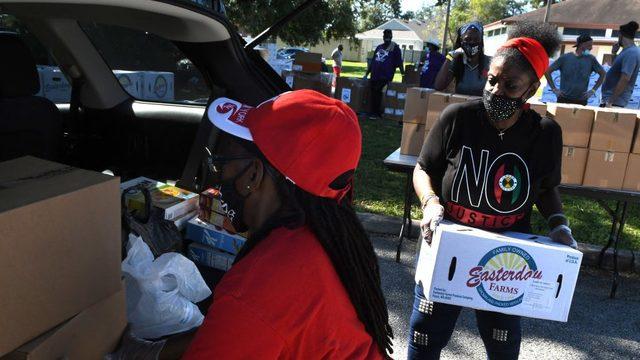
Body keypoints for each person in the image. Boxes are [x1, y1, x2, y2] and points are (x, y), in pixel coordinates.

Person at [182, 90, 394, 359]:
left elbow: (252, 317)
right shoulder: (326, 238)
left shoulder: (257, 288)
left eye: (224, 161)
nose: (219, 174)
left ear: (254, 176)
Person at [409, 21, 576, 360]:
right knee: (425, 334)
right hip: (449, 244)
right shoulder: (458, 117)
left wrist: (559, 224)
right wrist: (430, 203)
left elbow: (545, 189)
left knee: (502, 341)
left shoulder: (544, 133)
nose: (496, 91)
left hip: (507, 257)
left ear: (530, 90)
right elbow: (423, 168)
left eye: (510, 85)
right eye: (492, 80)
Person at [544, 34, 606, 106]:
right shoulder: (565, 58)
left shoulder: (591, 59)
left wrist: (592, 91)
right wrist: (554, 89)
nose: (591, 48)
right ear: (582, 45)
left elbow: (603, 74)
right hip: (563, 99)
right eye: (589, 45)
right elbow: (547, 71)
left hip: (581, 101)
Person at [434, 21, 491, 96]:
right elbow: (439, 86)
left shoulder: (489, 63)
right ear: (461, 41)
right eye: (468, 39)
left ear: (481, 41)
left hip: (481, 106)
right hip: (462, 106)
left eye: (476, 39)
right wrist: (449, 57)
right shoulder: (457, 63)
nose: (472, 42)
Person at [364, 29, 404, 117]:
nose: (387, 37)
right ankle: (373, 111)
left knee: (377, 91)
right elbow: (373, 61)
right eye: (385, 36)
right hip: (375, 74)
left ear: (391, 37)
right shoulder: (379, 47)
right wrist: (367, 73)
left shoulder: (395, 48)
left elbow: (399, 62)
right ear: (383, 37)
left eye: (388, 36)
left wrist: (403, 74)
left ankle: (375, 112)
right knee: (373, 91)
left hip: (386, 75)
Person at [601, 21, 640, 108]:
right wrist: (614, 53)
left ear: (621, 35)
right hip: (611, 101)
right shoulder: (626, 51)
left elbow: (625, 78)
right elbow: (616, 70)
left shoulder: (631, 52)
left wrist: (610, 102)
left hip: (615, 103)